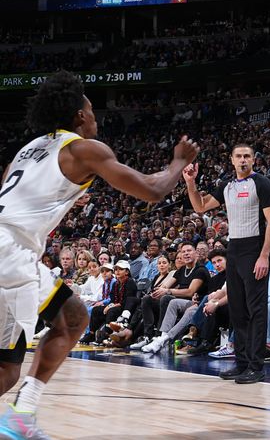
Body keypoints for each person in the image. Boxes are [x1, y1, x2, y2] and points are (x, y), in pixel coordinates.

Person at [0, 71, 198, 437]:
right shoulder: (84, 148)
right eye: (91, 110)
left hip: (12, 249)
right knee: (40, 343)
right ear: (78, 115)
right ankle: (19, 418)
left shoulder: (28, 149)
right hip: (10, 254)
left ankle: (20, 416)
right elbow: (152, 190)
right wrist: (177, 162)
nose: (95, 118)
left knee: (42, 343)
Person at [183, 143, 270, 384]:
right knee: (237, 309)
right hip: (234, 249)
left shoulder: (262, 183)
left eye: (247, 156)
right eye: (239, 156)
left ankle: (256, 366)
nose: (243, 160)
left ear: (254, 160)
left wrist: (264, 255)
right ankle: (242, 362)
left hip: (254, 248)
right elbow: (200, 206)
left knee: (255, 310)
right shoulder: (226, 185)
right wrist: (190, 183)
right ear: (232, 160)